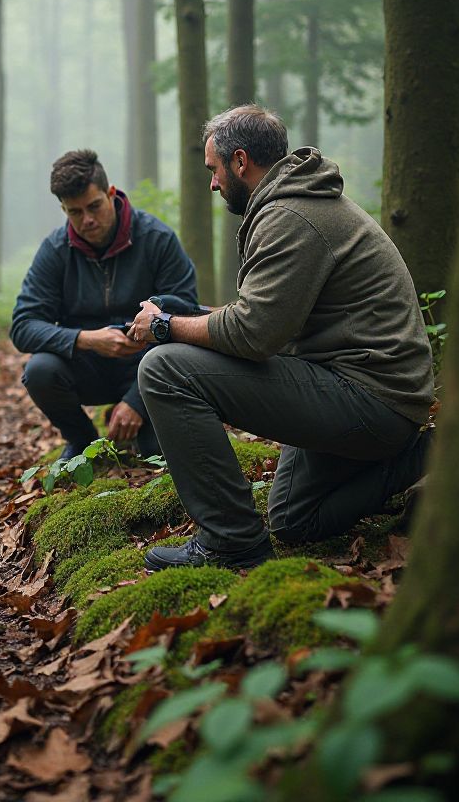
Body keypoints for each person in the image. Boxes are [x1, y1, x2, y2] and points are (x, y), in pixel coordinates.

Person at [129, 105, 434, 571]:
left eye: (213, 169)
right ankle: (421, 457)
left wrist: (166, 328)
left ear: (240, 161)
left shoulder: (291, 215)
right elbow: (271, 314)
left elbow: (253, 335)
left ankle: (231, 542)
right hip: (368, 395)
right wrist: (190, 314)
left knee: (163, 367)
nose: (211, 183)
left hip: (371, 399)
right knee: (295, 519)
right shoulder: (297, 201)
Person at [11, 149, 199, 460]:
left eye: (94, 206)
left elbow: (188, 313)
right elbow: (23, 326)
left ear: (110, 194)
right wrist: (85, 339)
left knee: (155, 453)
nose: (87, 220)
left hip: (149, 366)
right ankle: (82, 439)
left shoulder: (157, 239)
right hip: (87, 365)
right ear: (63, 209)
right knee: (40, 370)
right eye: (74, 212)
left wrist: (136, 402)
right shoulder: (55, 250)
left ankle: (137, 418)